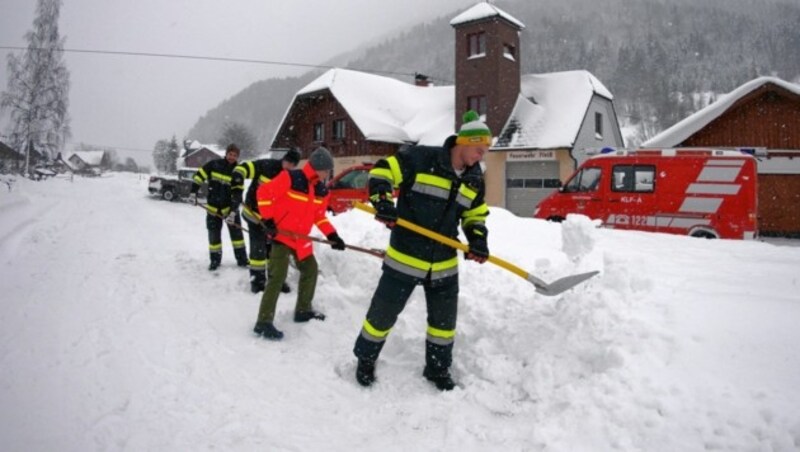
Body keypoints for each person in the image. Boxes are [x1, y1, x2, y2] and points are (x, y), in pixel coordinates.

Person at [352, 110, 492, 391]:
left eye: (485, 151)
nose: (481, 156)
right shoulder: (420, 159)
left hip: (443, 262)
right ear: (463, 143)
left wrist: (477, 239)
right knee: (382, 314)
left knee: (444, 324)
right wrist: (382, 202)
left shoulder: (474, 179)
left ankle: (438, 370)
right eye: (479, 149)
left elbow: (474, 214)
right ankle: (366, 359)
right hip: (405, 256)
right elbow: (382, 171)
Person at [252, 146, 347, 340]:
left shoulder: (321, 190)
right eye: (327, 170)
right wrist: (268, 219)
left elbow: (319, 217)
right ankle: (263, 322)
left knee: (310, 269)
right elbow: (263, 193)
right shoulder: (291, 178)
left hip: (301, 239)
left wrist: (333, 236)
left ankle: (303, 310)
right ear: (318, 168)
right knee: (278, 276)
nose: (329, 174)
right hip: (281, 235)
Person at [231, 148, 301, 293]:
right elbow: (242, 168)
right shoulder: (266, 166)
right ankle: (257, 282)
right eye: (287, 161)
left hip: (273, 221)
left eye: (292, 164)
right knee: (258, 248)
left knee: (273, 250)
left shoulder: (293, 178)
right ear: (283, 159)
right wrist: (237, 187)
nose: (288, 166)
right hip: (254, 214)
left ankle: (276, 280)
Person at [189, 143, 247, 271]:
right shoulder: (214, 165)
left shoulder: (238, 171)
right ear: (226, 153)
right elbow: (199, 176)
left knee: (237, 237)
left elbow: (238, 193)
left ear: (237, 157)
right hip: (213, 209)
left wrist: (233, 212)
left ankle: (242, 260)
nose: (232, 157)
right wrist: (193, 193)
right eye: (230, 154)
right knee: (214, 236)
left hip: (230, 209)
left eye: (235, 155)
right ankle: (215, 261)